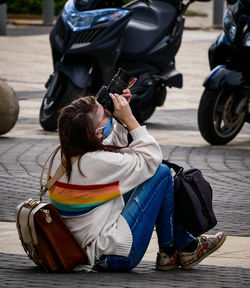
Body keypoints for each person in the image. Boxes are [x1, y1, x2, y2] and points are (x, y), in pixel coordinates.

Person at [48, 80, 226, 272]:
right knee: (162, 174)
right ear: (97, 133)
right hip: (115, 256)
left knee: (148, 175)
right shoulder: (95, 162)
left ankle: (173, 251)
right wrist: (130, 119)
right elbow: (152, 159)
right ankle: (180, 248)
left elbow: (113, 152)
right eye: (106, 116)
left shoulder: (63, 154)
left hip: (87, 244)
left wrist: (121, 121)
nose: (110, 117)